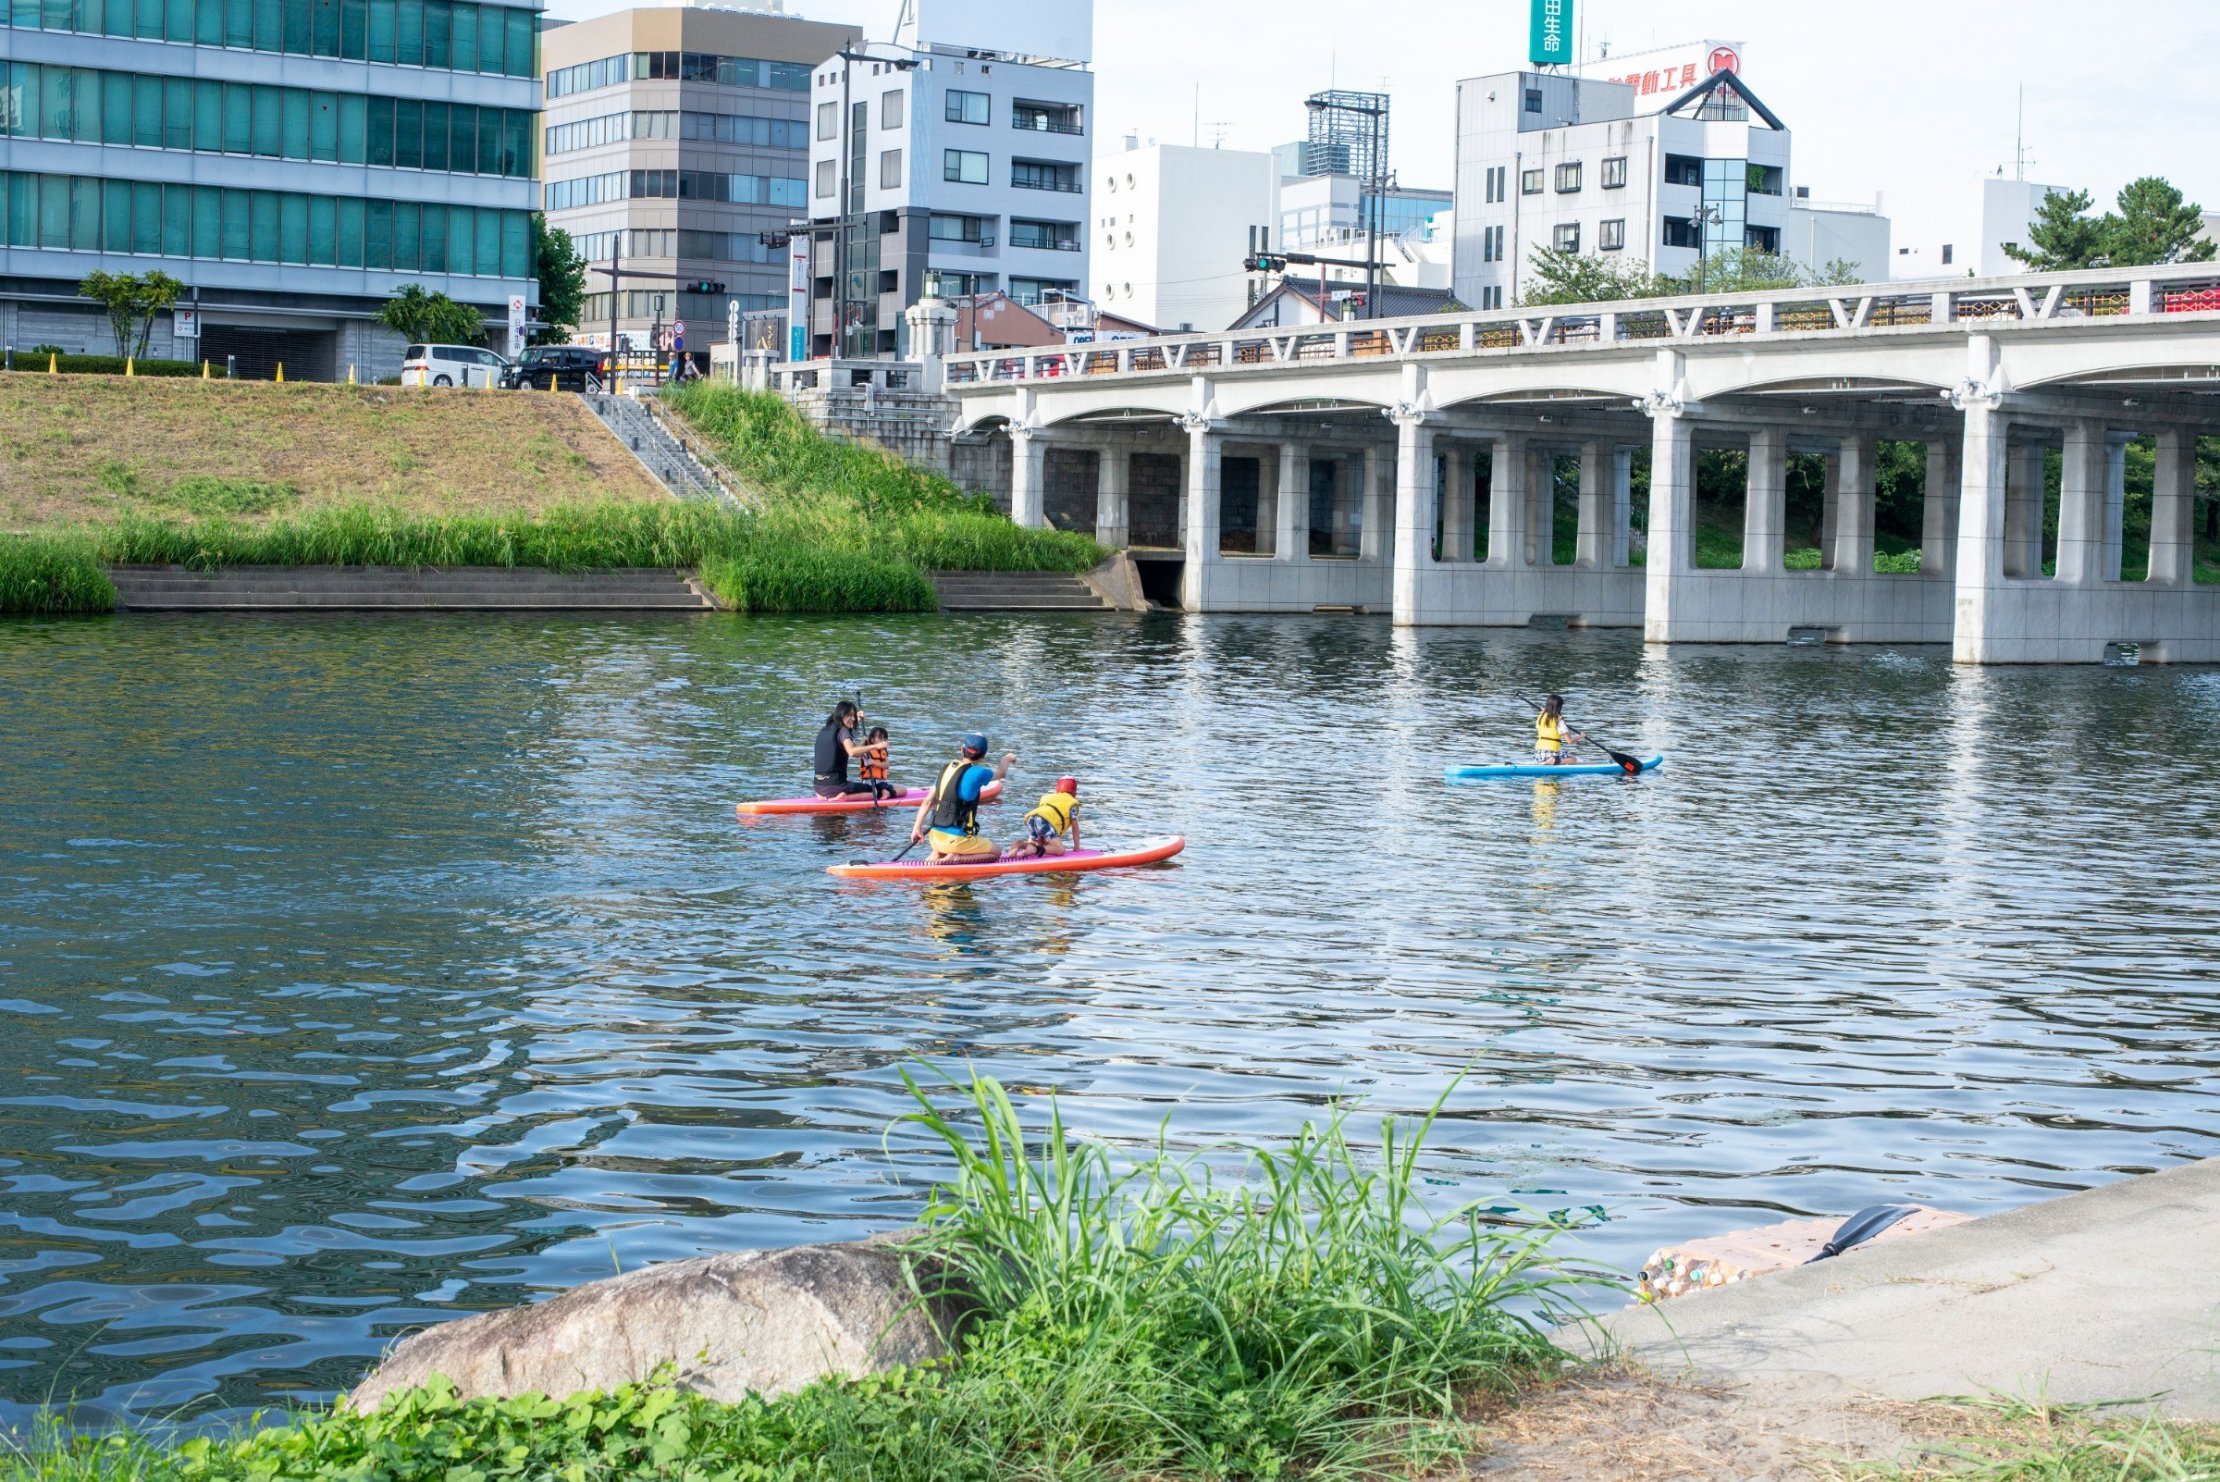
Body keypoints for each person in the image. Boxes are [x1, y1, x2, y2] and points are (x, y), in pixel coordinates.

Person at [911, 733, 1016, 863]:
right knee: (997, 852)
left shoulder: (946, 769)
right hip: (956, 841)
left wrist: (917, 829)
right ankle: (958, 857)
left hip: (934, 838)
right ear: (984, 754)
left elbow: (927, 801)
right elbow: (1001, 773)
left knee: (941, 851)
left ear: (962, 749)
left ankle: (936, 857)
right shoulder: (979, 772)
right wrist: (1007, 758)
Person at [812, 700, 876, 798]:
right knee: (874, 791)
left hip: (818, 786)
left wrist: (862, 744)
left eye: (854, 716)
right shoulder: (843, 731)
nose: (853, 719)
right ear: (841, 714)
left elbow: (849, 748)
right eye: (850, 715)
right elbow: (852, 752)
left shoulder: (824, 730)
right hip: (836, 787)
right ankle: (844, 798)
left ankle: (823, 796)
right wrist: (875, 746)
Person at [1009, 777, 1082, 858]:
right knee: (1060, 850)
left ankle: (1020, 844)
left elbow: (1040, 818)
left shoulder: (1049, 797)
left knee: (1040, 844)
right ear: (1075, 792)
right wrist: (1077, 847)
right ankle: (1035, 849)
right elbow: (1075, 826)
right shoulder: (1071, 803)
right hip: (1045, 820)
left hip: (1032, 818)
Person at [1535, 694, 1588, 766]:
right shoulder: (1559, 720)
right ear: (1559, 707)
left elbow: (1548, 722)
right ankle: (1553, 761)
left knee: (1568, 755)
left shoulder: (1541, 717)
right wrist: (1581, 736)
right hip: (1550, 753)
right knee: (1573, 759)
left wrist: (1545, 712)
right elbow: (1570, 741)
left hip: (1538, 754)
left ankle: (1548, 761)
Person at [857, 725, 897, 805]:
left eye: (884, 739)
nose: (883, 741)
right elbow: (857, 753)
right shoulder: (866, 750)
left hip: (882, 782)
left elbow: (887, 765)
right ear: (872, 739)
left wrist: (875, 763)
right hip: (869, 783)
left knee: (903, 790)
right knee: (878, 790)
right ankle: (884, 792)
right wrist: (862, 743)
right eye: (880, 738)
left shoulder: (883, 750)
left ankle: (885, 792)